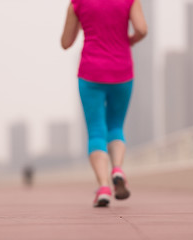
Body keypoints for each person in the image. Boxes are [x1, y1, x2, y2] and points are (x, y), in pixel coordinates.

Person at [61, 0, 147, 207]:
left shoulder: (78, 3)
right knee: (116, 127)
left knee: (96, 132)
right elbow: (142, 29)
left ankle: (104, 187)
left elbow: (66, 43)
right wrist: (131, 39)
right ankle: (117, 169)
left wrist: (85, 22)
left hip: (91, 73)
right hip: (122, 71)